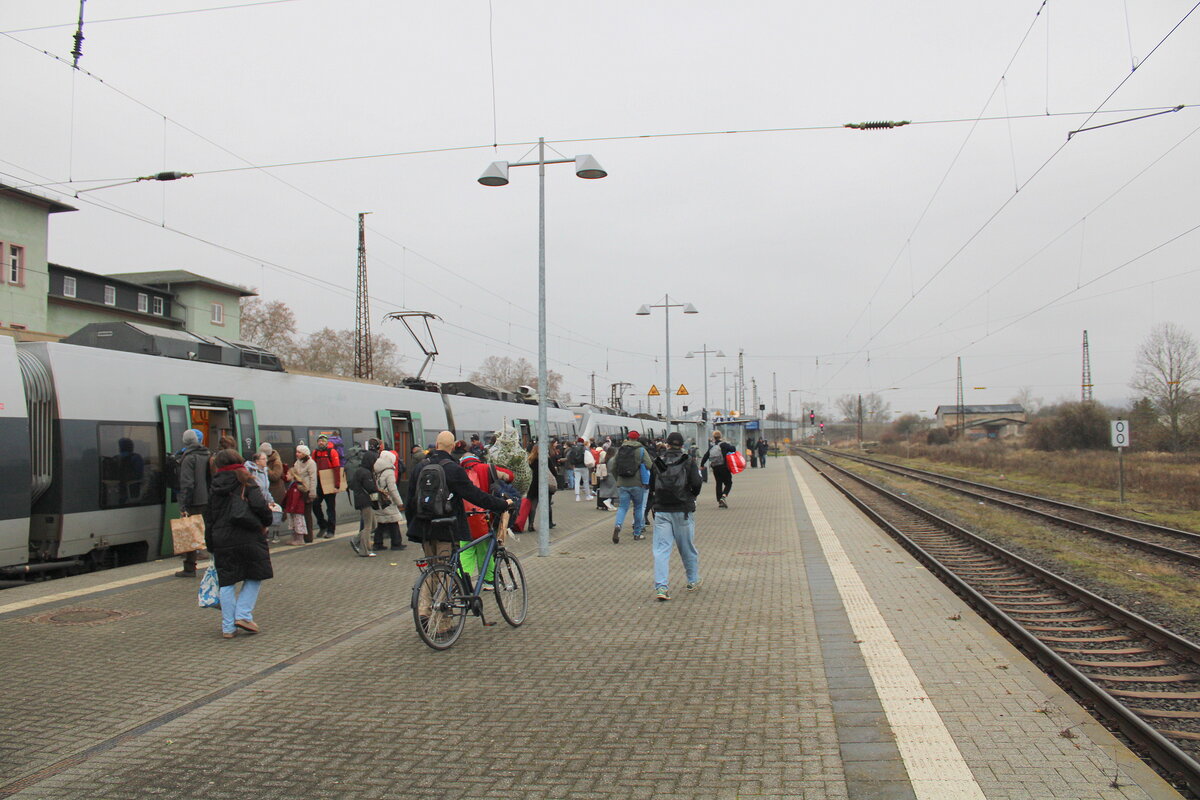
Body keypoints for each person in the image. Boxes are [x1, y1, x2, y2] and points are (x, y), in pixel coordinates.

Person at [406, 432, 514, 621]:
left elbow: (410, 501)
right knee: (446, 573)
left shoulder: (420, 467)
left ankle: (423, 610)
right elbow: (475, 495)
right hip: (446, 528)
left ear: (437, 444)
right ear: (453, 446)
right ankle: (443, 622)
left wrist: (412, 526)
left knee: (433, 569)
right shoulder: (452, 469)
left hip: (423, 527)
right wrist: (502, 505)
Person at [204, 449, 275, 638]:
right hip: (248, 536)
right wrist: (266, 522)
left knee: (226, 582)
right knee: (254, 575)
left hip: (222, 539)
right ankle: (243, 615)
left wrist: (210, 542)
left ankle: (228, 627)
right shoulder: (247, 480)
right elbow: (260, 506)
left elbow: (209, 517)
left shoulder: (214, 485)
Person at [650, 431, 704, 601]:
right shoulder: (688, 460)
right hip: (683, 510)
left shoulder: (658, 461)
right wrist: (692, 496)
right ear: (682, 445)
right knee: (686, 547)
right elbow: (696, 483)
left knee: (661, 549)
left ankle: (662, 587)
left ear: (667, 444)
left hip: (661, 510)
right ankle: (692, 580)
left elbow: (652, 485)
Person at [175, 429, 211, 577]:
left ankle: (190, 568)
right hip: (208, 499)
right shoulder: (208, 454)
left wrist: (183, 505)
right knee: (208, 531)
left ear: (185, 441)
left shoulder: (188, 458)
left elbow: (187, 484)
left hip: (194, 501)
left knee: (191, 533)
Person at [611, 431, 654, 544]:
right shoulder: (641, 450)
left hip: (622, 484)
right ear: (638, 439)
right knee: (639, 507)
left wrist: (618, 479)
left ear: (627, 438)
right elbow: (650, 465)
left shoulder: (620, 449)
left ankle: (618, 525)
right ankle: (637, 533)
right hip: (637, 484)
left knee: (622, 507)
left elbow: (613, 466)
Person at [373, 450, 407, 551]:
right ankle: (396, 543)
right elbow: (392, 488)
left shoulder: (375, 468)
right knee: (393, 521)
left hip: (378, 498)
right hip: (387, 500)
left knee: (380, 521)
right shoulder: (389, 471)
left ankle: (377, 543)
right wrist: (399, 502)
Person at [349, 447, 379, 557]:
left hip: (360, 500)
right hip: (366, 501)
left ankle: (357, 539)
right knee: (368, 526)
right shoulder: (366, 473)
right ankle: (364, 550)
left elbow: (352, 485)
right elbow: (371, 487)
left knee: (373, 524)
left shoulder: (359, 471)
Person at [312, 434, 341, 538]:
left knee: (330, 508)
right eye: (319, 441)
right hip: (319, 483)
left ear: (326, 442)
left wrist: (337, 485)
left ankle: (331, 530)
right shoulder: (315, 453)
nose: (321, 443)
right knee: (315, 504)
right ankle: (322, 525)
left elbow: (337, 468)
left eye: (323, 441)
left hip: (330, 483)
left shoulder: (332, 452)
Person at [525, 443, 557, 531]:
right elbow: (554, 472)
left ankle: (530, 525)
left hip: (534, 485)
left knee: (533, 506)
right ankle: (549, 523)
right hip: (545, 485)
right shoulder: (546, 459)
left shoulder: (530, 460)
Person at [290, 444, 318, 543]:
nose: (297, 454)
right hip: (299, 490)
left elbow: (313, 478)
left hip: (307, 491)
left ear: (305, 453)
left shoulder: (311, 463)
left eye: (299, 452)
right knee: (299, 513)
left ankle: (308, 537)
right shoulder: (297, 462)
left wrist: (312, 493)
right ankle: (300, 534)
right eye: (297, 452)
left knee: (307, 514)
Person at [703, 430, 736, 509]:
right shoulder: (723, 444)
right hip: (724, 467)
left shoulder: (712, 446)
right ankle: (723, 496)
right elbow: (733, 449)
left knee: (718, 483)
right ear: (720, 436)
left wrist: (701, 464)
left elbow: (706, 455)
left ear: (714, 437)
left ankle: (719, 501)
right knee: (728, 483)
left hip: (715, 468)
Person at [566, 438, 592, 502]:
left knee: (577, 481)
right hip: (584, 466)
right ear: (583, 442)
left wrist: (573, 463)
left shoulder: (573, 448)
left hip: (576, 467)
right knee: (585, 481)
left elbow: (568, 456)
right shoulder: (585, 448)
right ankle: (587, 495)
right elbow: (589, 456)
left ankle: (577, 496)